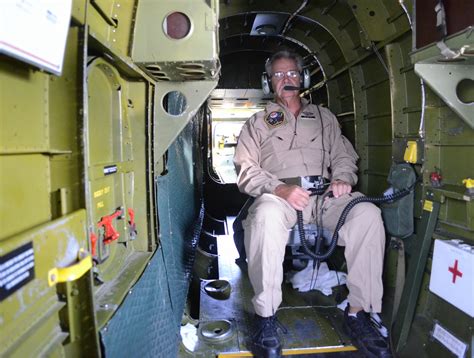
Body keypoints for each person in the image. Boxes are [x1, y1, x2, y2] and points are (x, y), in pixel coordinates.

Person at [233, 50, 392, 358]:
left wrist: (343, 178)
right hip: (280, 198)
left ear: (303, 79)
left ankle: (359, 313)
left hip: (326, 197)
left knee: (367, 214)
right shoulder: (257, 123)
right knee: (264, 214)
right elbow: (246, 170)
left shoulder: (324, 117)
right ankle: (266, 318)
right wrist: (279, 188)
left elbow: (344, 157)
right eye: (278, 75)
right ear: (269, 83)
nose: (287, 80)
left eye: (292, 73)